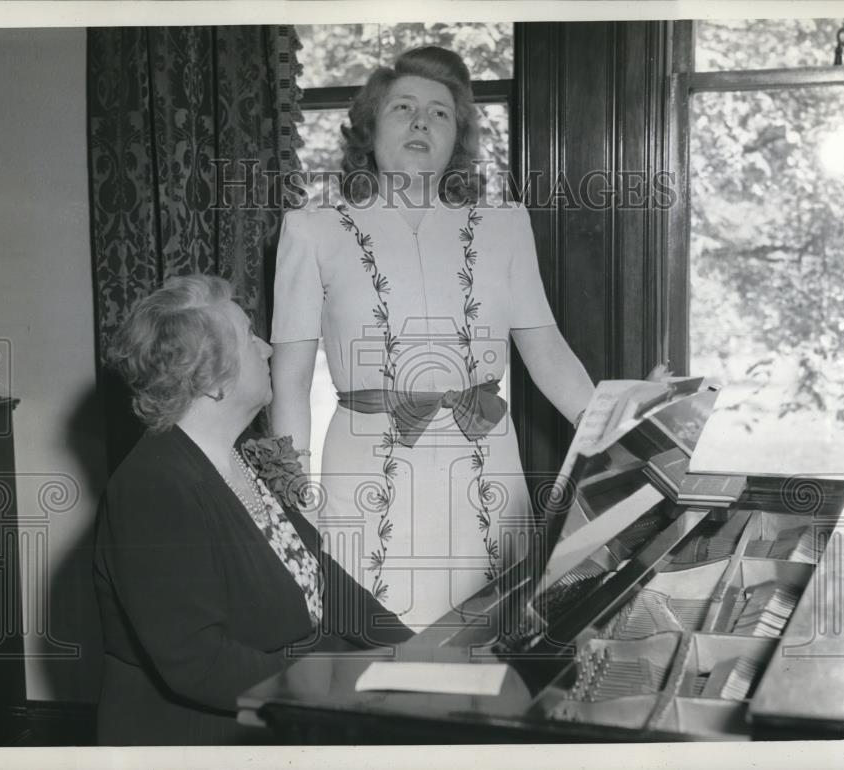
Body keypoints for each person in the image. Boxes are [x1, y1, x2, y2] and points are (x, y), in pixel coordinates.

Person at [270, 46, 594, 629]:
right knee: (374, 651)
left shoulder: (505, 227)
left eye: (440, 113)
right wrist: (296, 501)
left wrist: (619, 427)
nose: (422, 122)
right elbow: (288, 382)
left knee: (491, 644)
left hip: (487, 466)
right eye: (403, 108)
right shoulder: (311, 230)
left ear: (458, 139)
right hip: (365, 471)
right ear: (369, 129)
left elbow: (547, 354)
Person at [92, 274, 412, 746]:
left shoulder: (242, 458)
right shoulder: (152, 488)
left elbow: (322, 579)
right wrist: (339, 685)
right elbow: (201, 663)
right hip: (203, 737)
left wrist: (413, 651)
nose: (266, 348)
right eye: (249, 336)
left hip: (276, 706)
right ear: (213, 380)